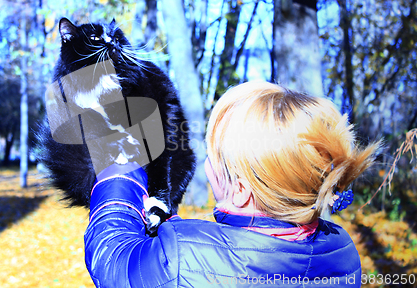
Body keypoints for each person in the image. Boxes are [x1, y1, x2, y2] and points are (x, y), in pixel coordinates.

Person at [84, 82, 380, 287]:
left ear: (240, 191)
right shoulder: (341, 251)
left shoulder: (182, 259)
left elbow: (112, 257)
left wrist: (120, 168)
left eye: (212, 155)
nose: (205, 162)